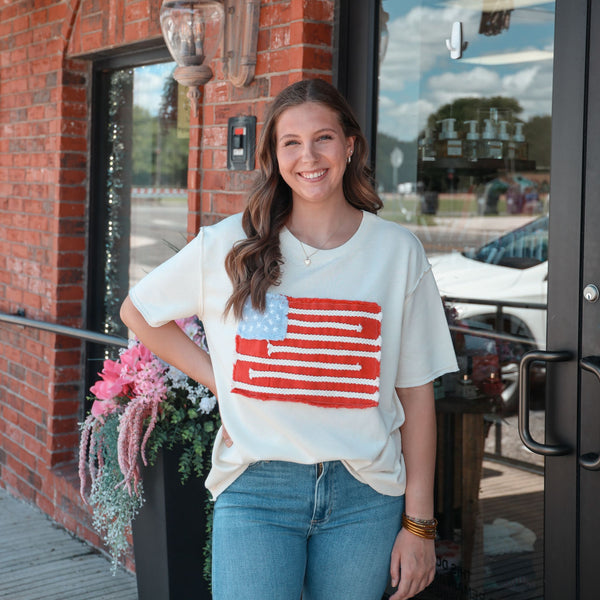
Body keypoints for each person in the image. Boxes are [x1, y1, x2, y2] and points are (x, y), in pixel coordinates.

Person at [120, 78, 457, 600]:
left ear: (349, 145)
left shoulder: (397, 252)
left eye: (323, 138)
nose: (309, 156)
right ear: (274, 157)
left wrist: (420, 525)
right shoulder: (230, 244)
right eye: (291, 143)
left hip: (365, 495)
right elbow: (139, 312)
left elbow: (416, 394)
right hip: (258, 488)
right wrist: (223, 384)